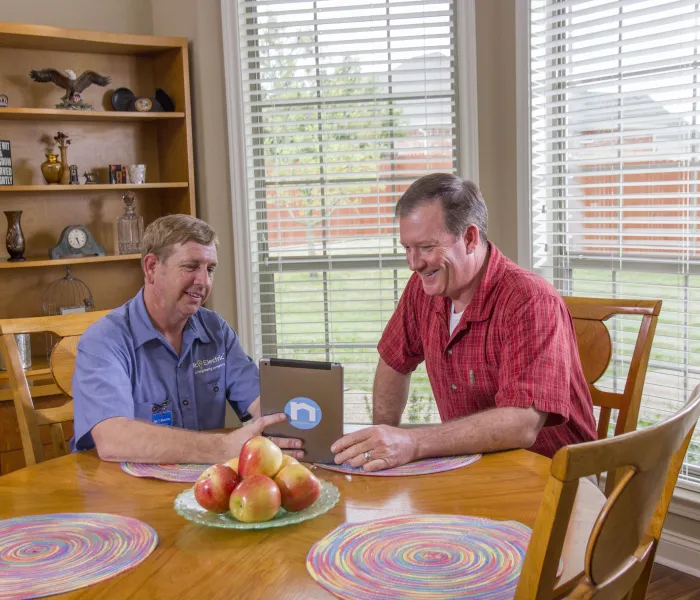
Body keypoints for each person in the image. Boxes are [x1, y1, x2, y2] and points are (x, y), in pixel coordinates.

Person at [331, 173, 597, 471]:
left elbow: (522, 424)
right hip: (471, 469)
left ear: (469, 238)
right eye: (407, 248)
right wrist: (381, 442)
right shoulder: (423, 288)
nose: (414, 263)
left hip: (552, 477)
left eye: (427, 247)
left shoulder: (530, 300)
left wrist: (412, 442)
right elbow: (394, 362)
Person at [72, 214, 303, 463]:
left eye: (210, 269)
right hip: (120, 490)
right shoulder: (104, 341)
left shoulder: (216, 329)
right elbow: (113, 438)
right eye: (190, 267)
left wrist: (292, 423)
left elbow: (261, 403)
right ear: (151, 268)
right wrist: (224, 447)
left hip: (202, 484)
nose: (203, 281)